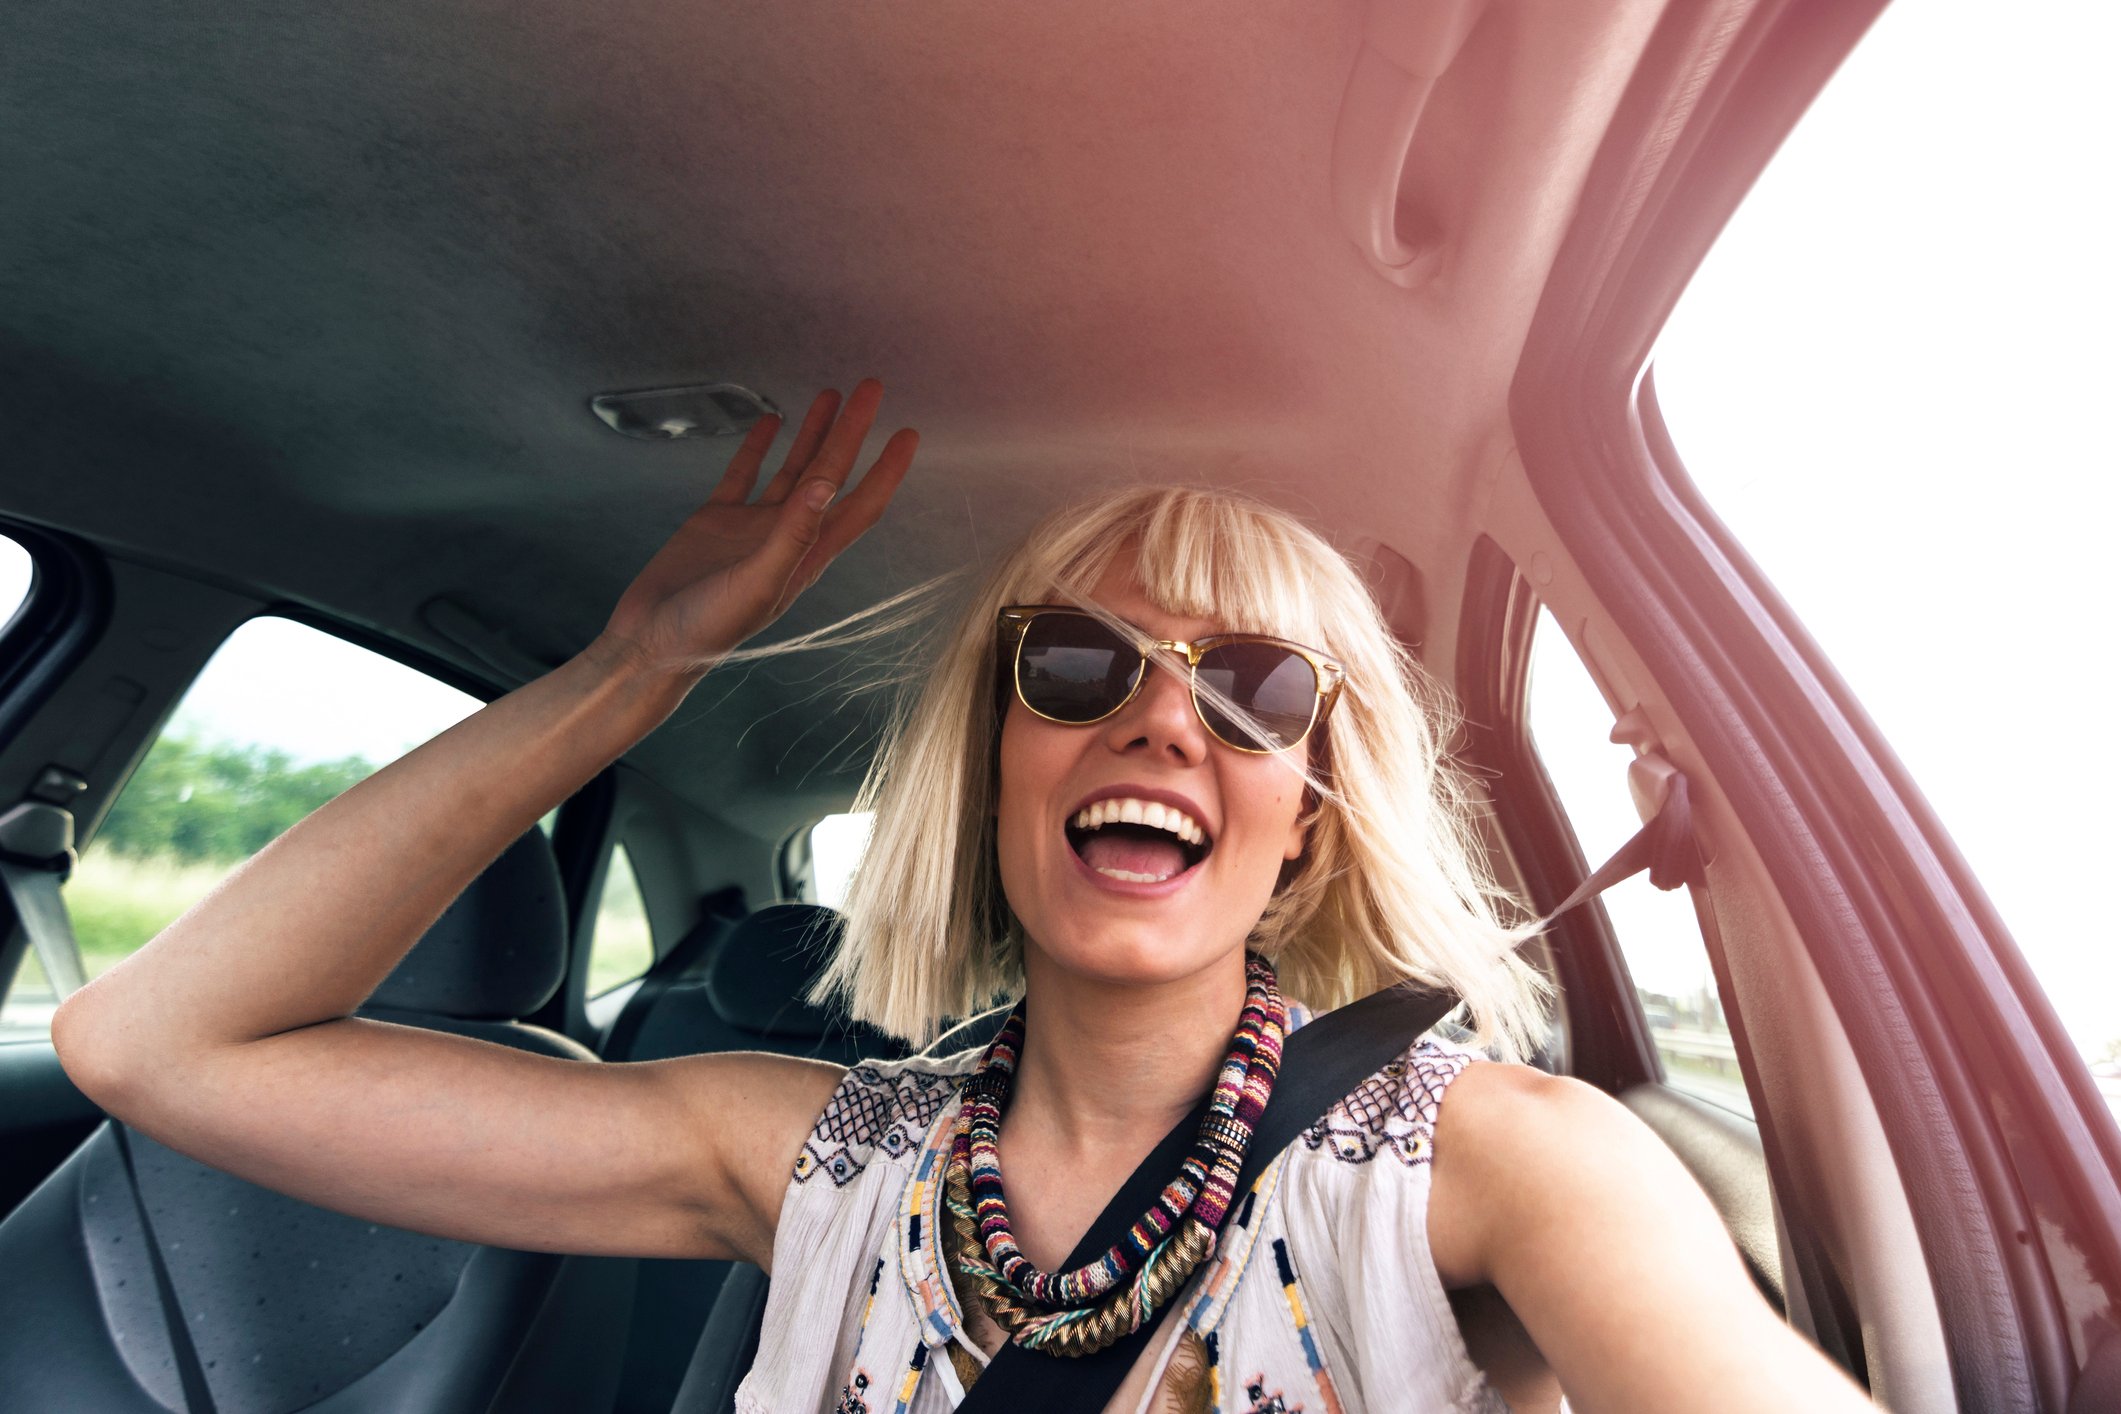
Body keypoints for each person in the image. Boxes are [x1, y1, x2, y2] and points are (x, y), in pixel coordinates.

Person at [53, 382, 1869, 1412]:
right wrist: (630, 672)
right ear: (996, 769)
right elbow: (150, 1040)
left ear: (1306, 820)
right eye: (1077, 665)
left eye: (1252, 689)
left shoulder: (1483, 1166)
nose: (1165, 711)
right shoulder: (816, 1159)